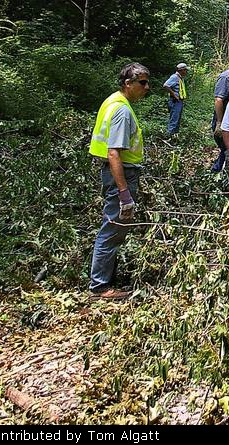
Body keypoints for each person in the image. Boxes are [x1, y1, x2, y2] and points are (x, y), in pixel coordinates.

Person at [87, 62, 151, 299]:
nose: (147, 87)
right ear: (128, 84)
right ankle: (100, 287)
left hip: (117, 173)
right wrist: (124, 192)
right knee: (113, 227)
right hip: (120, 174)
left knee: (115, 226)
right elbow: (114, 152)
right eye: (142, 83)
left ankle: (106, 278)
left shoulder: (114, 100)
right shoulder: (122, 110)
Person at [162, 63, 189, 136]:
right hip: (175, 101)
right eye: (185, 70)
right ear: (181, 70)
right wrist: (174, 94)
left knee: (177, 120)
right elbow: (166, 86)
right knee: (174, 120)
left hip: (179, 101)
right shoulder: (174, 77)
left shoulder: (180, 77)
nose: (186, 71)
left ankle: (174, 136)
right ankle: (169, 136)